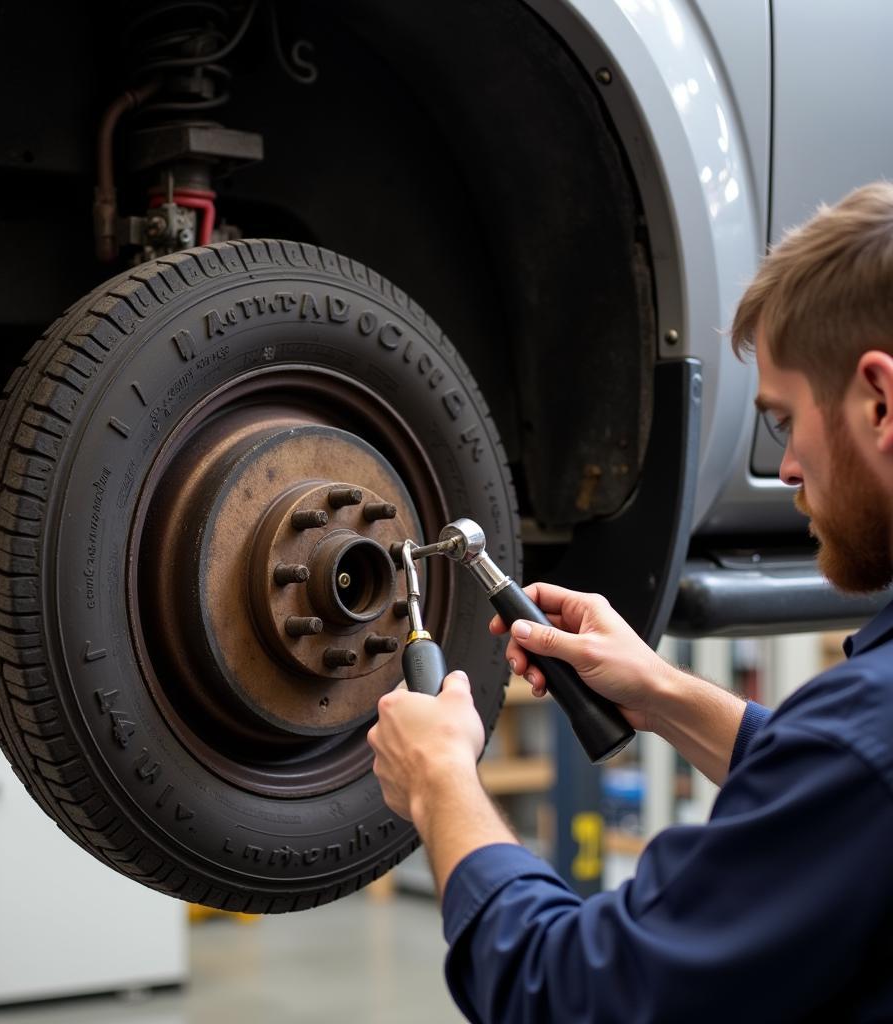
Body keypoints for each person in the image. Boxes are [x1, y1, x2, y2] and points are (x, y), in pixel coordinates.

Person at [367, 181, 893, 1023]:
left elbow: (576, 995)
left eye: (785, 419)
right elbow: (837, 796)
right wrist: (664, 694)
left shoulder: (866, 737)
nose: (788, 467)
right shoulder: (860, 751)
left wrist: (438, 783)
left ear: (880, 402)